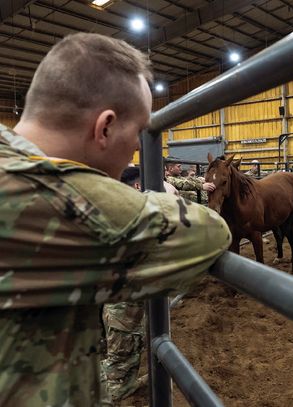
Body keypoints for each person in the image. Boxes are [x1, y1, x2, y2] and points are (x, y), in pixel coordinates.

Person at [0, 32, 230, 406]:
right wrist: (160, 199)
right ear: (104, 127)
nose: (141, 146)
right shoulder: (61, 197)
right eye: (139, 132)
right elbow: (210, 233)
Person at [100, 166, 146, 402]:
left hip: (112, 301)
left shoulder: (110, 210)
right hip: (122, 306)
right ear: (138, 186)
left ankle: (122, 384)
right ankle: (113, 392)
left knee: (120, 351)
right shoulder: (130, 215)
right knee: (119, 358)